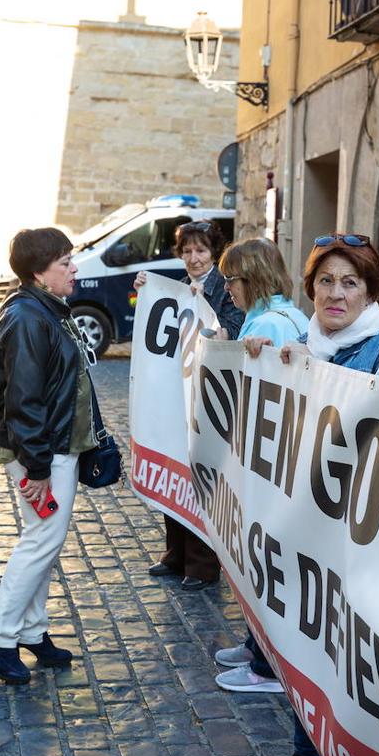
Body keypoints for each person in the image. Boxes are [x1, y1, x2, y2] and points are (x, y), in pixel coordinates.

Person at [235, 233, 379, 756]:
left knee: (350, 665)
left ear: (370, 290)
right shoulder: (300, 348)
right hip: (303, 536)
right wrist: (253, 370)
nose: (335, 292)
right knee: (308, 655)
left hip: (358, 543)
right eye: (325, 281)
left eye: (350, 281)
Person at [0, 228, 97, 685]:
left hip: (51, 445)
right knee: (42, 540)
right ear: (38, 272)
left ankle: (31, 629)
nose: (74, 269)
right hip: (42, 450)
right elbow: (23, 399)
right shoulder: (30, 317)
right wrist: (38, 466)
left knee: (43, 537)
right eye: (64, 262)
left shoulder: (45, 309)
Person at [209, 238, 310, 693]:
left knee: (266, 561)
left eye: (231, 279)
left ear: (251, 277)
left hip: (273, 461)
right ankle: (256, 645)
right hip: (271, 457)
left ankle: (267, 664)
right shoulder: (284, 315)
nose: (227, 288)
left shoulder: (272, 321)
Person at [135, 220, 244, 590]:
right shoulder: (180, 287)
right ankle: (175, 553)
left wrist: (205, 306)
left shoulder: (224, 288)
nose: (193, 258)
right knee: (175, 464)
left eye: (200, 251)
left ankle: (201, 564)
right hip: (179, 390)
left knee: (200, 477)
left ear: (213, 253)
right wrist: (148, 292)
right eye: (187, 251)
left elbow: (231, 327)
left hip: (209, 394)